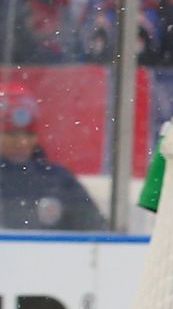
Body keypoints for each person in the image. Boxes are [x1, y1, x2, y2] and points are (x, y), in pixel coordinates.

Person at [0, 87, 107, 232]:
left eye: (29, 134)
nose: (22, 142)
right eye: (12, 134)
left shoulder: (59, 180)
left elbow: (96, 230)